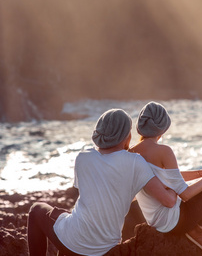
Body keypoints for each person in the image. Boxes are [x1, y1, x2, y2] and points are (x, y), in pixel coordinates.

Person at [27, 108, 177, 256]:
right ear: (127, 136)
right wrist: (175, 185)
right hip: (105, 251)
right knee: (68, 217)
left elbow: (93, 194)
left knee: (36, 209)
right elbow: (169, 201)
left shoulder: (83, 157)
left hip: (71, 245)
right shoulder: (135, 162)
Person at [130, 101, 202, 256]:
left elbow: (169, 178)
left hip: (156, 222)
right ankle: (200, 230)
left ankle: (199, 229)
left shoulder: (131, 153)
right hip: (176, 222)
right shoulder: (163, 151)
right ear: (163, 129)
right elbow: (186, 194)